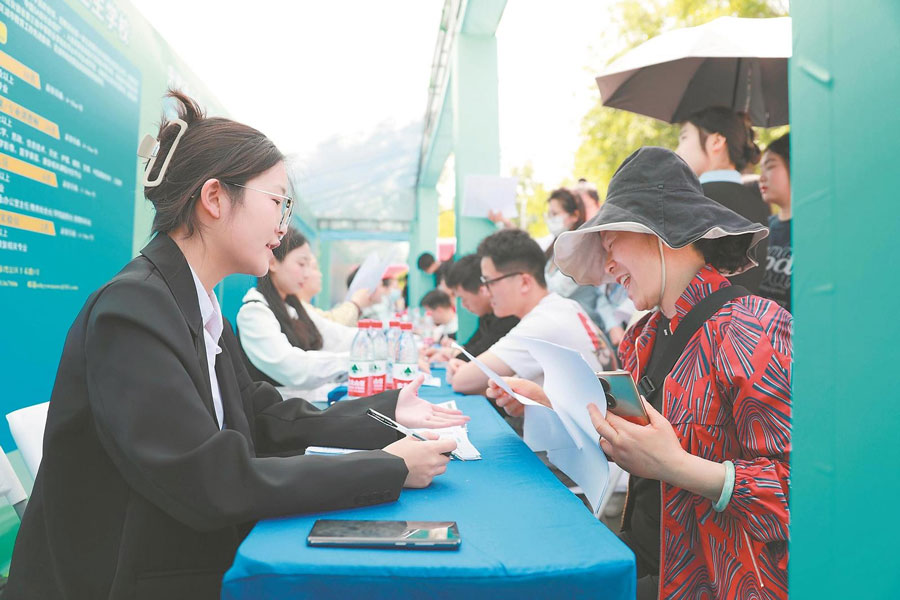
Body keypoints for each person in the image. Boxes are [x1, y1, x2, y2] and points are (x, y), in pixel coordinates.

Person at [4, 90, 465, 600]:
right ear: (215, 198)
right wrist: (389, 467)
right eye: (277, 202)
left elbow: (264, 418)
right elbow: (208, 480)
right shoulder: (131, 310)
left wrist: (386, 413)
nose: (283, 226)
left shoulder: (195, 306)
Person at [490, 147, 791, 600]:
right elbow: (628, 442)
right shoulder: (642, 336)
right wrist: (546, 403)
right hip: (644, 559)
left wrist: (679, 467)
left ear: (659, 233)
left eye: (612, 244)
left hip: (714, 580)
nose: (608, 265)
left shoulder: (753, 329)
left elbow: (799, 491)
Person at [448, 229, 617, 395]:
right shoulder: (566, 306)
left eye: (489, 281)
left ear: (524, 282)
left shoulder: (540, 324)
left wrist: (460, 369)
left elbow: (461, 381)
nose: (486, 291)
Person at [237, 227, 358, 388]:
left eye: (309, 266)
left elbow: (336, 336)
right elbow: (293, 368)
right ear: (273, 263)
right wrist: (352, 359)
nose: (307, 274)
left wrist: (375, 337)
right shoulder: (253, 314)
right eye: (301, 264)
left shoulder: (294, 307)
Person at [675, 106, 770, 293]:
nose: (677, 150)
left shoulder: (692, 200)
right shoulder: (760, 204)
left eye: (684, 138)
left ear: (716, 141)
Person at [425, 254, 519, 363]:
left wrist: (451, 355)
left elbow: (477, 356)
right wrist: (448, 353)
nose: (463, 305)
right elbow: (472, 348)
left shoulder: (508, 317)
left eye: (463, 298)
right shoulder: (486, 316)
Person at [542, 187, 603, 326]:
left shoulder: (582, 250)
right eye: (549, 214)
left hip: (582, 325)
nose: (550, 219)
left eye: (555, 214)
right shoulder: (554, 247)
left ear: (574, 215)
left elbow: (557, 290)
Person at [758, 133, 792, 312]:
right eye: (761, 169)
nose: (761, 177)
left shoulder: (815, 230)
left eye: (770, 166)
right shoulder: (764, 229)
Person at [298, 254, 373, 326]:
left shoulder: (306, 309)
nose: (320, 275)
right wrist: (356, 304)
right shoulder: (298, 310)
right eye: (315, 268)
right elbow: (331, 325)